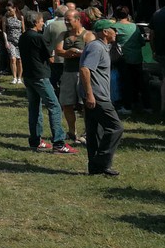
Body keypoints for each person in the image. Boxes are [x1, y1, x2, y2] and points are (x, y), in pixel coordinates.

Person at [18, 13, 78, 155]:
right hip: (40, 76)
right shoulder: (38, 38)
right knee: (54, 106)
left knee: (34, 107)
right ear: (35, 22)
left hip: (29, 76)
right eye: (41, 21)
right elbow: (50, 58)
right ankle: (59, 142)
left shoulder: (23, 37)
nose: (42, 24)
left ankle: (35, 141)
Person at [81, 21, 124, 176]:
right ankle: (102, 161)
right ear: (105, 32)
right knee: (116, 127)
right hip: (97, 96)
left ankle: (95, 168)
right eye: (114, 30)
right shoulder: (96, 47)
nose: (116, 33)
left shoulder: (101, 47)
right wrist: (90, 95)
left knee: (95, 132)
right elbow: (85, 69)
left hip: (96, 95)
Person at [56, 9, 90, 144]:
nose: (66, 22)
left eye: (68, 20)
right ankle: (72, 132)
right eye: (65, 19)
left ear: (77, 19)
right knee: (67, 103)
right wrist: (68, 52)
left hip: (83, 73)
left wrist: (77, 52)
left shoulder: (87, 35)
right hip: (67, 73)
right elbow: (58, 50)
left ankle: (88, 132)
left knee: (86, 104)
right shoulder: (63, 35)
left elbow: (91, 52)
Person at [4, 4, 25, 85]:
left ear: (14, 9)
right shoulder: (6, 18)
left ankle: (19, 77)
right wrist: (6, 41)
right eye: (7, 10)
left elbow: (23, 29)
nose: (8, 12)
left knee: (19, 60)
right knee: (13, 59)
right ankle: (14, 77)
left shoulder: (20, 17)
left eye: (10, 10)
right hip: (10, 40)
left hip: (19, 40)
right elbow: (4, 30)